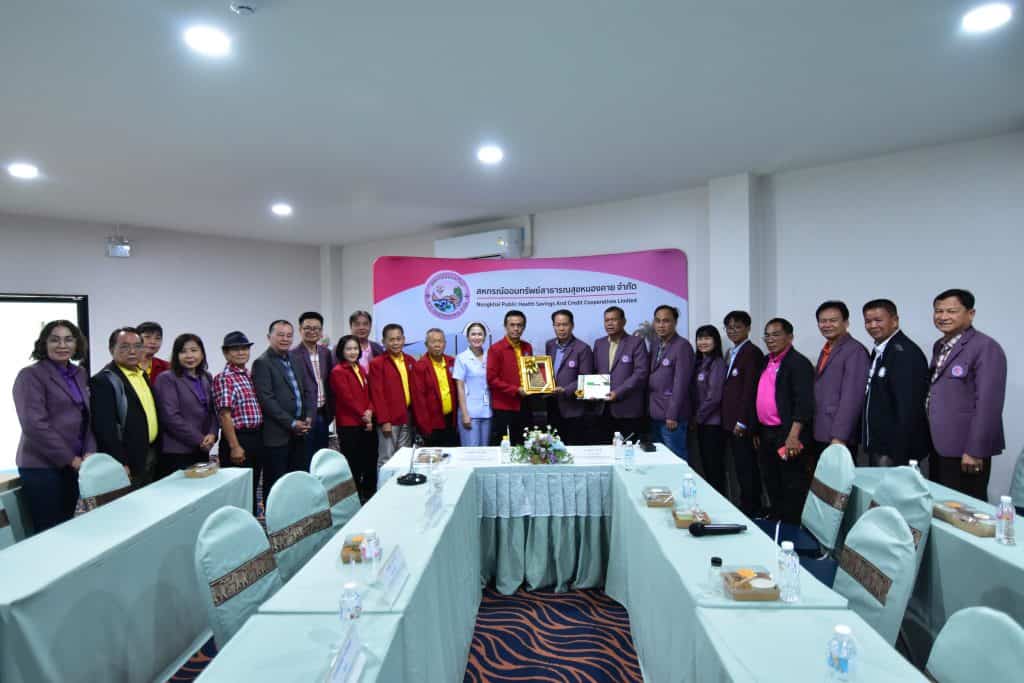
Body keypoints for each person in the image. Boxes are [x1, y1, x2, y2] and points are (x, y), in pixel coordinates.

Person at [13, 320, 96, 531]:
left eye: (68, 339)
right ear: (44, 344)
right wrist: (70, 459)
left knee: (73, 526)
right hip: (43, 467)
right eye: (55, 340)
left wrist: (89, 452)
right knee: (50, 531)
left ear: (77, 344)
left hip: (77, 465)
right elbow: (34, 425)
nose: (62, 345)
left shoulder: (80, 373)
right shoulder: (30, 375)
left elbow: (87, 417)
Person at [927, 288, 1007, 500]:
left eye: (951, 311)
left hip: (966, 449)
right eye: (939, 311)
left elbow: (988, 404)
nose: (943, 316)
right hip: (939, 444)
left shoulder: (985, 347)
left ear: (970, 314)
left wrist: (975, 450)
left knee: (965, 510)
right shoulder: (940, 346)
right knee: (941, 506)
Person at [751, 318, 815, 524]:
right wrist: (756, 430)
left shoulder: (798, 363)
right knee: (771, 479)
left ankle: (791, 525)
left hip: (787, 433)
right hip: (766, 431)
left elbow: (804, 403)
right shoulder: (765, 361)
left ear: (790, 337)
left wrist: (793, 436)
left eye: (776, 334)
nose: (770, 339)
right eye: (767, 335)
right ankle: (776, 518)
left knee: (792, 482)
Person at [861, 299, 929, 467]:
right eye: (868, 321)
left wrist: (898, 452)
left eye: (878, 320)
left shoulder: (904, 353)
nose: (873, 325)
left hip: (894, 449)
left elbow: (908, 407)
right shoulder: (881, 350)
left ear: (894, 321)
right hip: (879, 443)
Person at [91, 327, 160, 486]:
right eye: (124, 346)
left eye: (137, 346)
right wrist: (120, 462)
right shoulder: (104, 380)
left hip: (151, 453)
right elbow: (104, 429)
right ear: (111, 349)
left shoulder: (141, 374)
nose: (132, 351)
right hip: (128, 461)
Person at [252, 320, 310, 497]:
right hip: (277, 434)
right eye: (280, 335)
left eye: (289, 335)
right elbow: (267, 401)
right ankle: (273, 514)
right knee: (276, 483)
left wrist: (307, 417)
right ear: (269, 337)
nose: (285, 339)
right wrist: (291, 423)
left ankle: (295, 511)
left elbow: (304, 391)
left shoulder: (295, 359)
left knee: (296, 478)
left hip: (299, 432)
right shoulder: (262, 363)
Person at [811, 301, 869, 469]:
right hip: (821, 430)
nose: (827, 325)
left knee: (840, 482)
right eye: (823, 321)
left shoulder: (855, 350)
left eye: (833, 320)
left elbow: (852, 398)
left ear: (846, 322)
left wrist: (839, 437)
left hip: (838, 435)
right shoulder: (827, 349)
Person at [212, 331, 265, 513]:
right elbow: (225, 415)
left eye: (245, 349)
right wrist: (234, 446)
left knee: (252, 487)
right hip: (238, 439)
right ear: (226, 353)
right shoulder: (224, 378)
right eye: (235, 350)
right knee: (239, 492)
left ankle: (250, 522)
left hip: (255, 437)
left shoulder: (247, 375)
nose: (241, 352)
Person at [720, 311, 765, 517]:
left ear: (748, 328)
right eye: (729, 327)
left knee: (747, 467)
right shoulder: (731, 352)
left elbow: (750, 391)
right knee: (739, 467)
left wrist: (743, 421)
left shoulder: (752, 352)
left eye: (737, 327)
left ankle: (752, 508)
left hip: (742, 423)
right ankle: (746, 504)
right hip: (730, 422)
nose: (733, 331)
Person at [154, 333, 218, 474]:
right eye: (183, 351)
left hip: (202, 449)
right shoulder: (167, 378)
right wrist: (200, 439)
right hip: (177, 451)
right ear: (176, 355)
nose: (189, 356)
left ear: (202, 353)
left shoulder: (206, 377)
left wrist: (212, 434)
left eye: (194, 350)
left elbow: (213, 410)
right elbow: (170, 417)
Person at [329, 335, 378, 500]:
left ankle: (369, 494)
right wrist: (365, 415)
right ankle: (354, 498)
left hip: (365, 420)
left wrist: (370, 411)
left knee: (369, 460)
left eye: (355, 348)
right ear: (341, 351)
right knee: (353, 463)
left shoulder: (360, 368)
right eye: (348, 349)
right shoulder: (338, 371)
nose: (353, 352)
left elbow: (368, 393)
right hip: (349, 424)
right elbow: (347, 398)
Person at [593, 306, 649, 443]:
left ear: (623, 322)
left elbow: (641, 373)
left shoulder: (636, 342)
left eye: (614, 319)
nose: (610, 323)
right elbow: (594, 371)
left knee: (628, 451)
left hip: (627, 408)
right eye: (607, 320)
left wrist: (618, 392)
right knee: (605, 449)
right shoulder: (599, 343)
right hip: (603, 409)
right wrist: (591, 390)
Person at [647, 305, 693, 458]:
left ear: (675, 322)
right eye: (658, 321)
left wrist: (672, 415)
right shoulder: (655, 344)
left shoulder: (682, 346)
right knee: (660, 460)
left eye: (666, 321)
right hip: (655, 413)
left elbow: (681, 384)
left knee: (676, 459)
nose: (661, 325)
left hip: (672, 417)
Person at [369, 324, 418, 466]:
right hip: (389, 419)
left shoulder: (410, 360)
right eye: (391, 340)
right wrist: (384, 421)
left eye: (398, 339)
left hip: (407, 417)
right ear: (383, 342)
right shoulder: (377, 363)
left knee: (404, 458)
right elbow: (377, 394)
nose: (395, 343)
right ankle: (383, 482)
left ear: (404, 339)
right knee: (387, 458)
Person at [544, 310, 593, 445]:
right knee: (553, 447)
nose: (561, 328)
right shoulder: (550, 345)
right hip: (552, 404)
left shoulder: (583, 348)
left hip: (573, 407)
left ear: (572, 325)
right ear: (553, 326)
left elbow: (585, 378)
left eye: (565, 324)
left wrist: (566, 390)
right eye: (558, 325)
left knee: (573, 447)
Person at [292, 311, 334, 462]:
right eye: (307, 328)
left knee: (322, 456)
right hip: (305, 416)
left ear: (321, 331)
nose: (312, 331)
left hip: (323, 413)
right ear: (300, 330)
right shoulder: (292, 355)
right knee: (305, 457)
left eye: (316, 328)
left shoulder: (326, 353)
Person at [487, 310, 534, 445]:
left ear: (524, 327)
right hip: (504, 406)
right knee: (505, 446)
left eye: (519, 325)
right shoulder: (495, 349)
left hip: (524, 404)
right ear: (505, 326)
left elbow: (531, 373)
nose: (516, 328)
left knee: (524, 444)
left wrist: (538, 386)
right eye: (512, 325)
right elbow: (491, 379)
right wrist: (515, 390)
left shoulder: (527, 347)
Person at [693, 325, 726, 495]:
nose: (702, 342)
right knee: (706, 466)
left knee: (714, 468)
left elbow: (714, 397)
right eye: (700, 338)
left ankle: (720, 500)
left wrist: (697, 418)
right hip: (702, 423)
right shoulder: (700, 363)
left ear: (716, 341)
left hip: (712, 424)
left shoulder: (717, 363)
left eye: (707, 338)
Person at [414, 329, 457, 446]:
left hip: (451, 421)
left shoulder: (452, 362)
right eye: (433, 342)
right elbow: (419, 400)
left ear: (445, 344)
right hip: (432, 424)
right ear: (426, 344)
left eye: (440, 341)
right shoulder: (420, 366)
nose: (437, 345)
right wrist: (424, 427)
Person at [453, 322, 492, 447]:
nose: (476, 337)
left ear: (484, 337)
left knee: (485, 451)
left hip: (487, 411)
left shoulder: (490, 356)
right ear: (468, 337)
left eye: (480, 334)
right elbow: (460, 387)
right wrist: (465, 414)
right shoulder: (461, 358)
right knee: (471, 452)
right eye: (473, 334)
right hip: (470, 412)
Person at [350, 310, 385, 375]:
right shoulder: (340, 349)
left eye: (365, 324)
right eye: (357, 324)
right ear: (351, 327)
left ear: (370, 326)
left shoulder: (378, 348)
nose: (361, 328)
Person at [137, 321, 169, 386]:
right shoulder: (125, 365)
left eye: (157, 338)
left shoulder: (167, 367)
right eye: (147, 337)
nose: (153, 342)